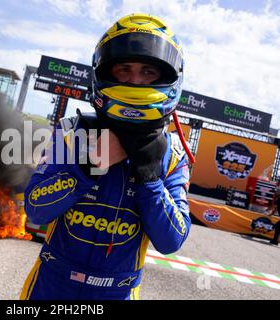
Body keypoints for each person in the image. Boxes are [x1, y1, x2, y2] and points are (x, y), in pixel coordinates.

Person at [20, 13, 191, 300]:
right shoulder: (70, 132)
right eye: (124, 69)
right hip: (51, 286)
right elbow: (36, 208)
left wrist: (150, 179)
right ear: (106, 72)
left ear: (168, 78)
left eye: (148, 71)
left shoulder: (172, 156)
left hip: (119, 293)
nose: (135, 81)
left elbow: (172, 240)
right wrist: (89, 167)